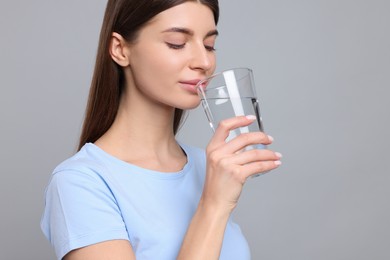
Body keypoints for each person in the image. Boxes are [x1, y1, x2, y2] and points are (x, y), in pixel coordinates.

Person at [41, 0, 282, 259]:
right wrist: (213, 206)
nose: (204, 61)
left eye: (209, 45)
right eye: (177, 43)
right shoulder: (81, 182)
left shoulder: (210, 167)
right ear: (120, 49)